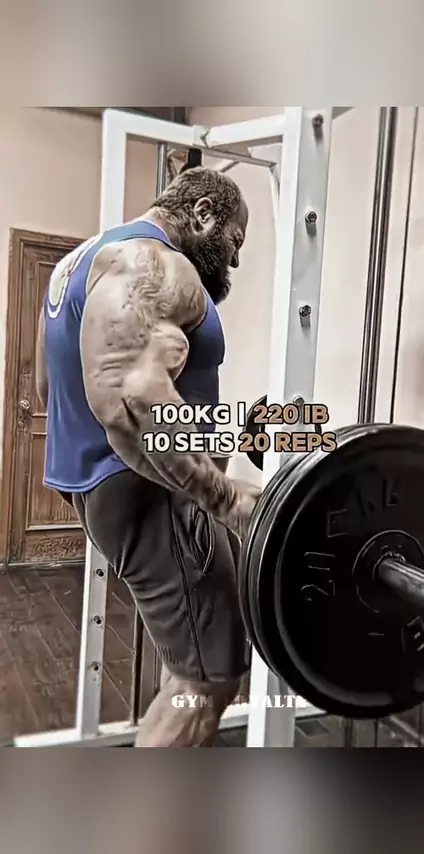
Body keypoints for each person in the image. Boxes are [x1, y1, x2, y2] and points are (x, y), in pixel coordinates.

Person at [35, 162, 261, 747]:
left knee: (189, 656)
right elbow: (133, 401)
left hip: (105, 487)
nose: (235, 259)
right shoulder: (152, 264)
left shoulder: (78, 261)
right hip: (153, 494)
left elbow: (46, 387)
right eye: (235, 239)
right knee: (207, 680)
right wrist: (224, 497)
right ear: (203, 214)